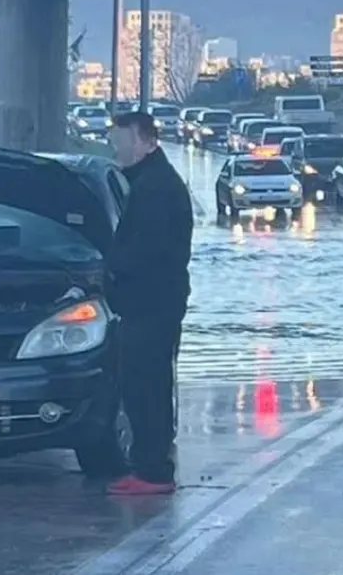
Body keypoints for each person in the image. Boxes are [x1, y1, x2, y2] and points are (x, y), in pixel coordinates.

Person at [104, 111, 193, 495]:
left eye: (119, 139)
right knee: (143, 383)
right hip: (152, 299)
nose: (114, 147)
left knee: (146, 385)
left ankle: (153, 472)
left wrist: (111, 267)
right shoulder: (150, 181)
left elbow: (147, 248)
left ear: (141, 139)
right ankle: (147, 465)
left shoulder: (155, 187)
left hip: (152, 301)